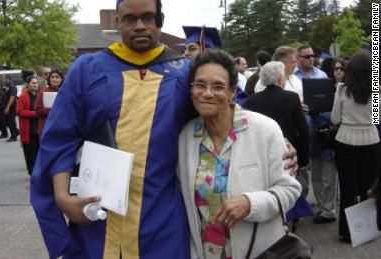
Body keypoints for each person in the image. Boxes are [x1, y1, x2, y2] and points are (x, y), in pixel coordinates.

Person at [31, 1, 298, 258]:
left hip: (160, 217)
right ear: (116, 21)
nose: (139, 26)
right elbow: (60, 137)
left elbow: (223, 113)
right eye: (129, 19)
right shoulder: (87, 69)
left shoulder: (182, 73)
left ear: (161, 20)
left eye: (148, 17)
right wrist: (63, 197)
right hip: (99, 212)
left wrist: (277, 142)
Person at [178, 50, 301, 259]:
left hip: (260, 252)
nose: (207, 93)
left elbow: (289, 190)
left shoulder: (264, 130)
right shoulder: (186, 137)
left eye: (218, 86)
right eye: (200, 85)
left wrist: (250, 204)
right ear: (191, 90)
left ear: (233, 91)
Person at [244, 61, 312, 232]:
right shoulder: (291, 97)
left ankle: (273, 224)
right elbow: (302, 129)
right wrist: (303, 159)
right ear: (281, 79)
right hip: (287, 154)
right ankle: (289, 225)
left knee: (269, 189)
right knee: (287, 190)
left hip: (260, 153)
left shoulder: (251, 100)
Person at [331, 51, 379, 242]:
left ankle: (347, 231)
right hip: (371, 140)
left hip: (345, 140)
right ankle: (367, 229)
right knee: (369, 187)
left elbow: (335, 118)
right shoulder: (376, 91)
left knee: (347, 187)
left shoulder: (342, 90)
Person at [295, 45, 338, 225]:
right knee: (313, 173)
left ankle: (328, 209)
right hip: (303, 130)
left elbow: (330, 103)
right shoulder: (292, 79)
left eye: (313, 56)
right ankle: (318, 206)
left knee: (327, 172)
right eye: (307, 56)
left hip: (322, 127)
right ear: (298, 58)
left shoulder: (321, 76)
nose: (311, 59)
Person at [182, 25, 248, 105]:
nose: (185, 53)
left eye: (192, 49)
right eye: (184, 49)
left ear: (206, 51)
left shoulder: (224, 76)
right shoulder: (182, 76)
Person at [17, 76, 40, 176]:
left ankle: (38, 173)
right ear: (27, 84)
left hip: (39, 129)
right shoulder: (23, 96)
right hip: (28, 129)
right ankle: (32, 174)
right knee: (30, 154)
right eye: (33, 83)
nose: (35, 85)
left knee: (38, 153)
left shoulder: (40, 95)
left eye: (36, 83)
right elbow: (19, 111)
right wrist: (34, 113)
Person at [35, 69, 64, 137]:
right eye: (52, 77)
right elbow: (37, 110)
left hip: (61, 127)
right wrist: (53, 110)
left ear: (61, 79)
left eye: (57, 77)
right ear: (49, 79)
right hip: (46, 127)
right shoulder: (43, 92)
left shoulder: (65, 92)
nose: (54, 79)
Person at [2, 74, 19, 142]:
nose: (3, 80)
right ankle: (16, 131)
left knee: (11, 121)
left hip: (11, 107)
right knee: (7, 121)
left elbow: (12, 97)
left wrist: (8, 107)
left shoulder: (12, 86)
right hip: (6, 106)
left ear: (8, 79)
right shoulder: (7, 86)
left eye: (4, 79)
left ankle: (13, 136)